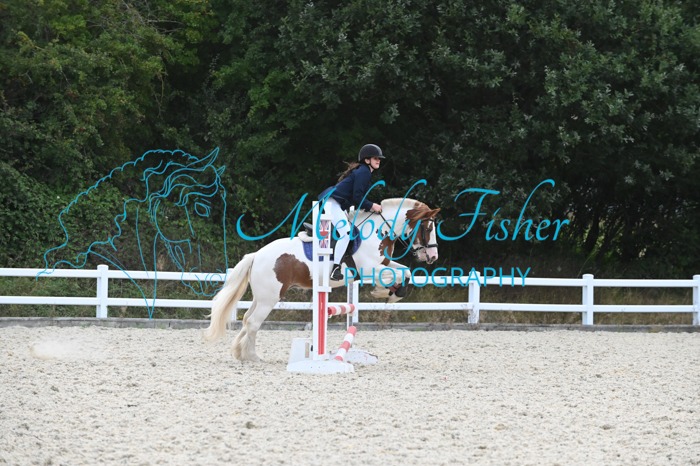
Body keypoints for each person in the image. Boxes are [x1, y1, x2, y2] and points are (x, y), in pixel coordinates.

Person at [318, 143, 385, 281]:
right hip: (332, 202)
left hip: (337, 203)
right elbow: (357, 198)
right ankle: (335, 268)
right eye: (375, 158)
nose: (378, 160)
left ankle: (346, 262)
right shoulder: (364, 172)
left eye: (379, 158)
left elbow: (356, 198)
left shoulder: (364, 171)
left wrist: (368, 206)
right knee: (346, 233)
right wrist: (372, 205)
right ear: (367, 160)